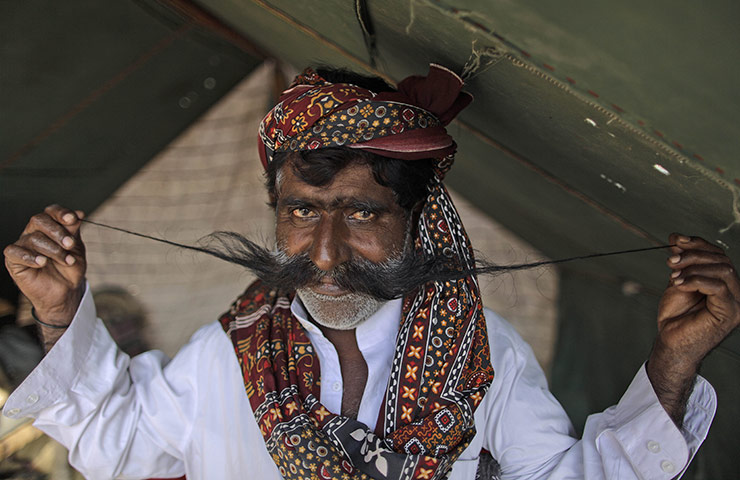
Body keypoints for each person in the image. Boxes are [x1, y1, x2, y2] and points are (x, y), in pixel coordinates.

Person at [2, 64, 738, 480]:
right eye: (300, 212)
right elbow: (121, 443)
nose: (322, 254)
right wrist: (62, 311)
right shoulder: (231, 353)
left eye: (360, 215)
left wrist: (673, 361)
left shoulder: (481, 354)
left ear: (416, 222)